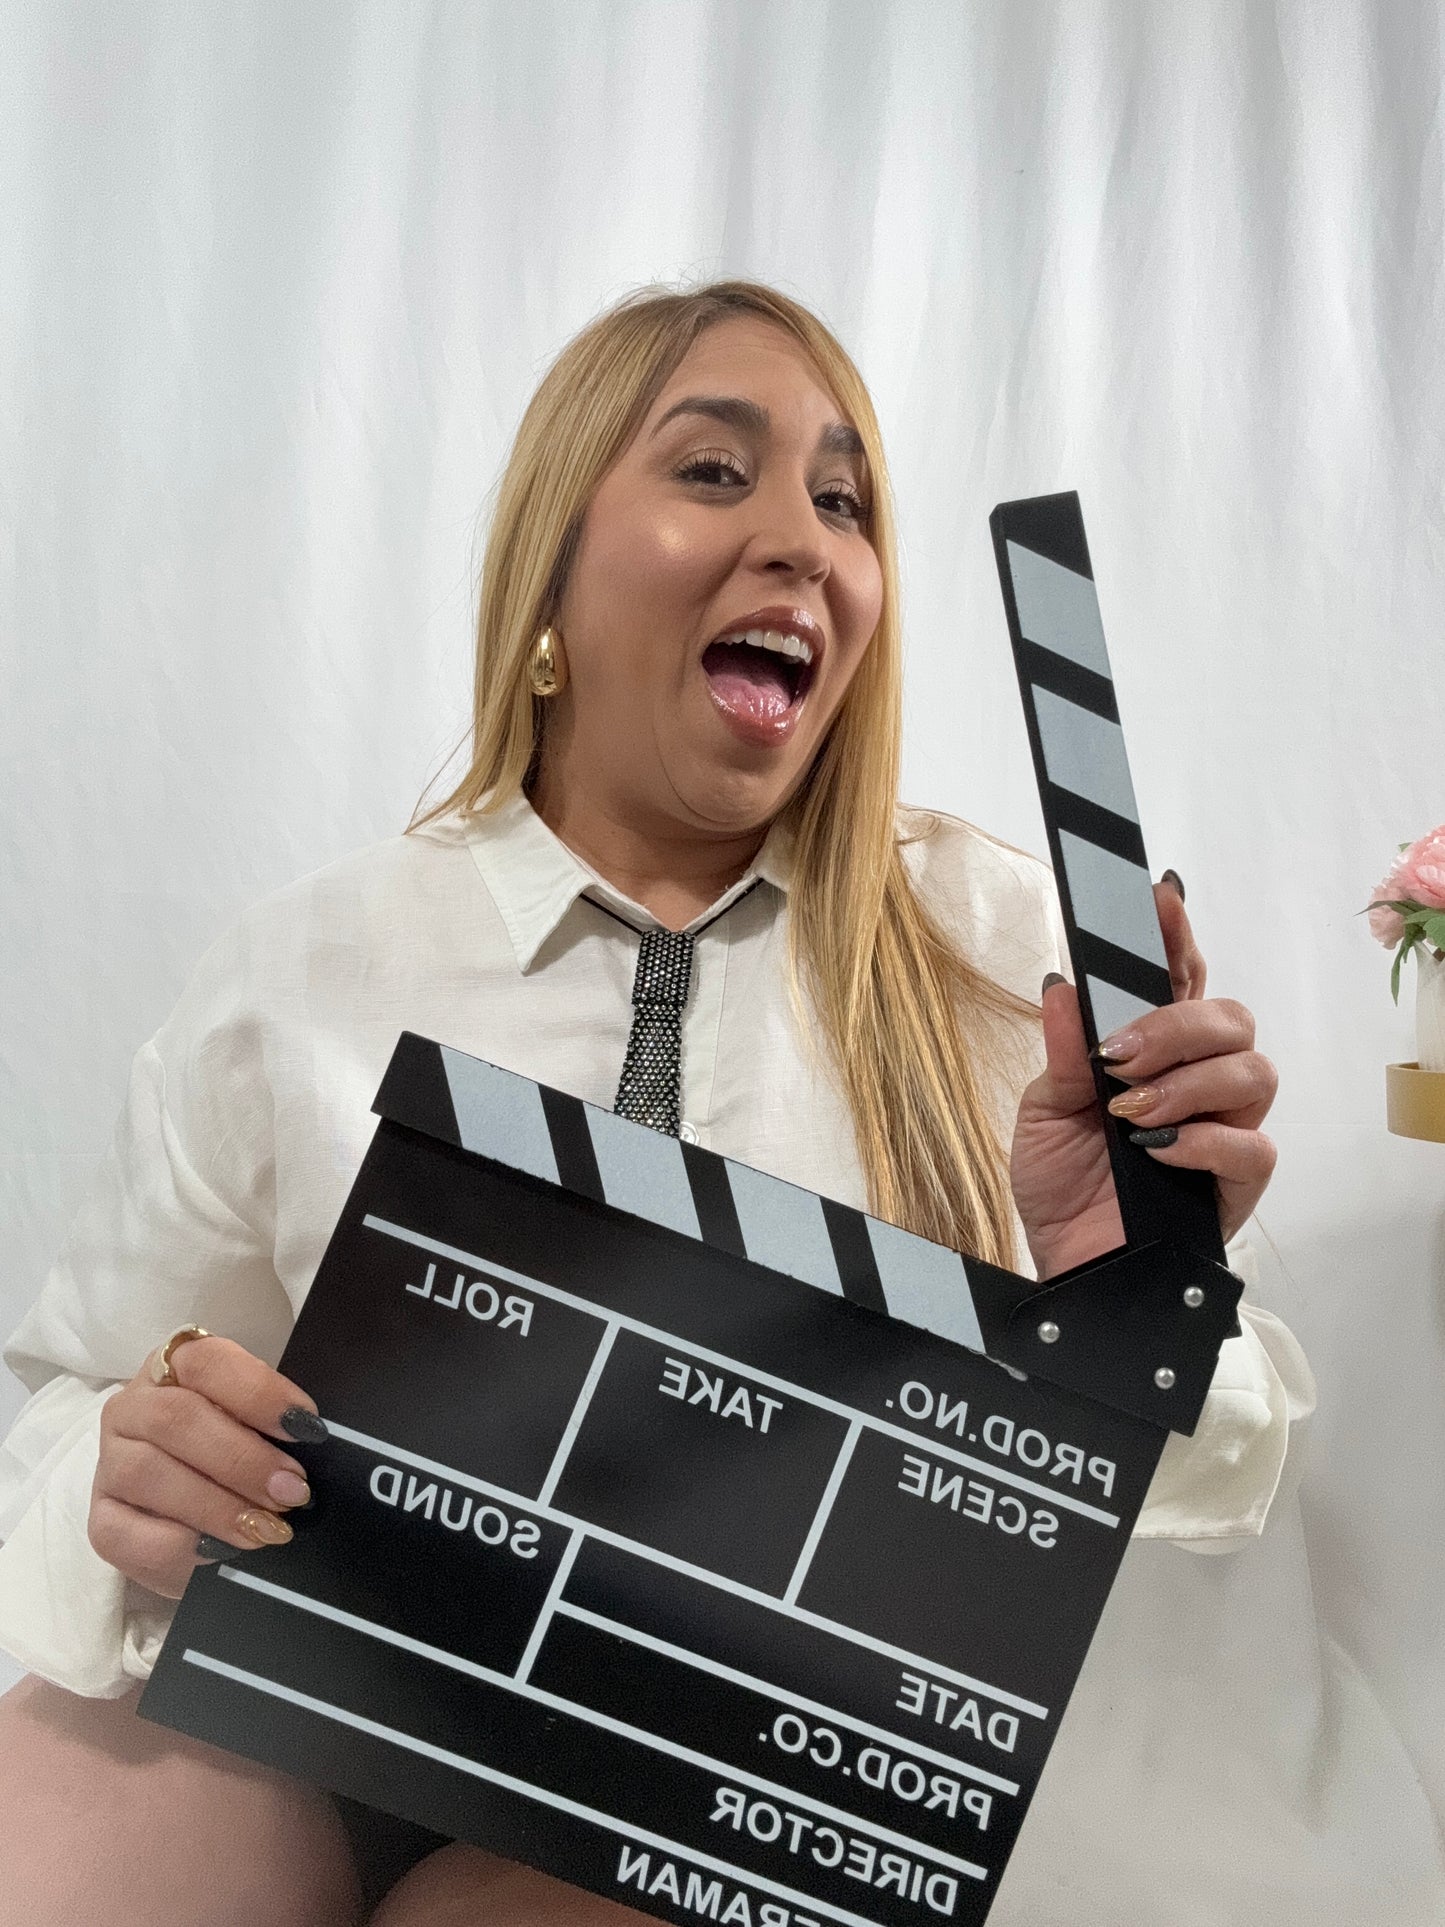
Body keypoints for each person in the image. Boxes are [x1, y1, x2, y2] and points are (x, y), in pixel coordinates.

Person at [0, 281, 1306, 1925]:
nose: (801, 542)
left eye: (842, 501)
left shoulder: (1001, 958)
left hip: (751, 1787)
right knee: (59, 1795)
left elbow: (1201, 1501)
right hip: (329, 1705)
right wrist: (122, 1473)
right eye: (712, 471)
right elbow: (65, 1395)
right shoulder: (307, 965)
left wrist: (1131, 1294)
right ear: (548, 574)